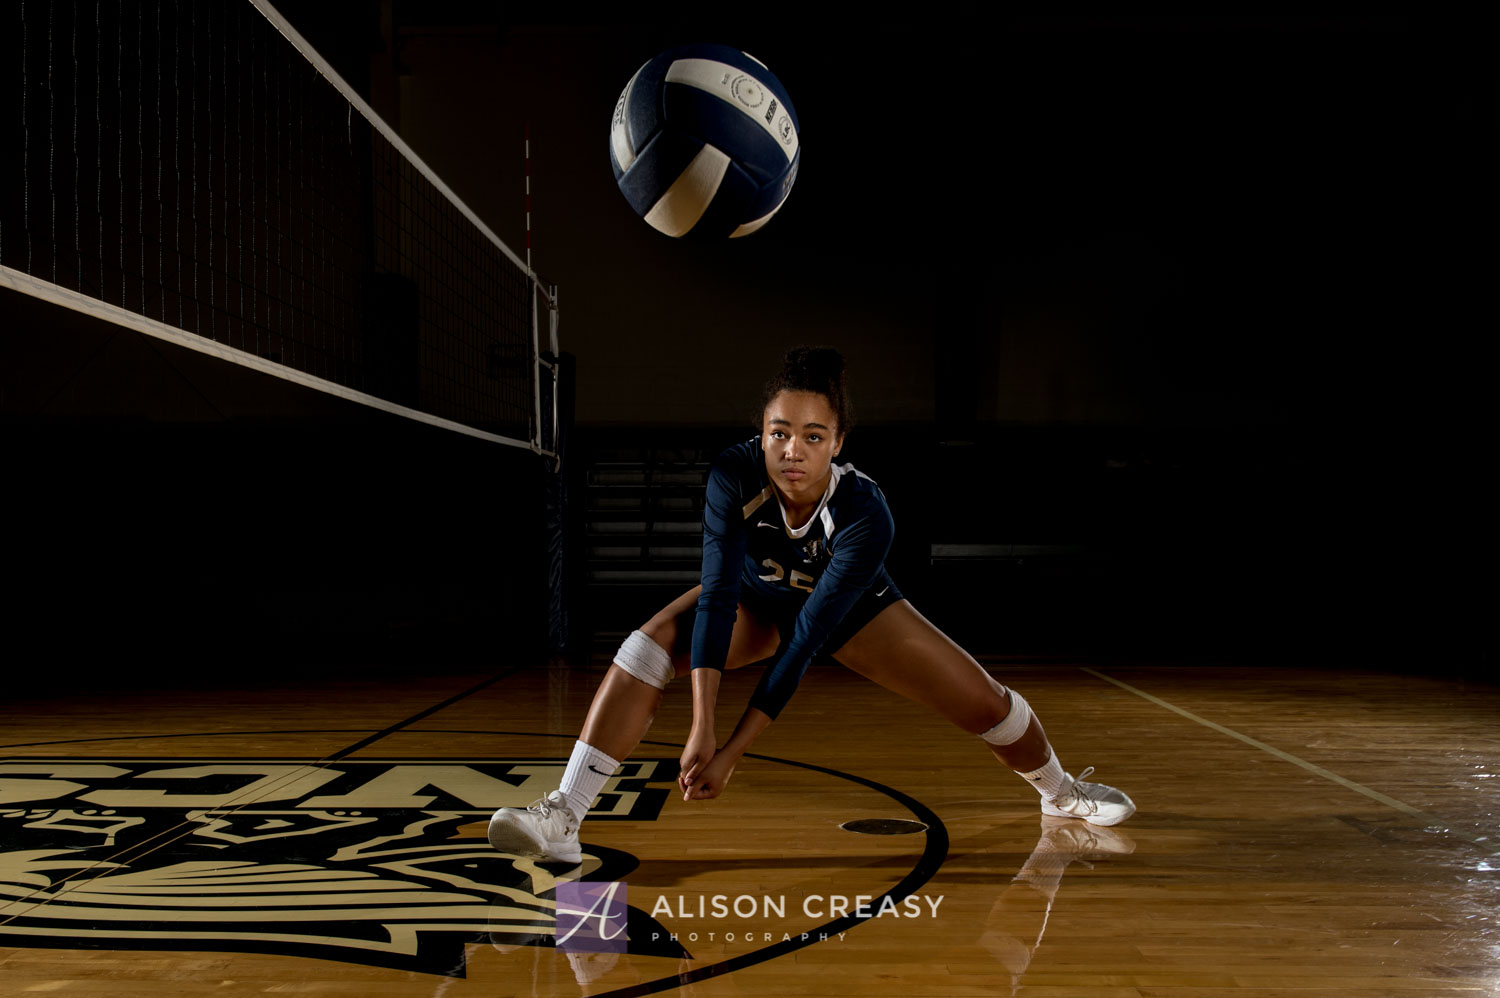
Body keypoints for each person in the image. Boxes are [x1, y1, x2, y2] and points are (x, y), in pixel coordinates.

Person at [489, 346, 1134, 864]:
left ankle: (1060, 794)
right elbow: (715, 596)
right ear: (760, 434)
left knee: (986, 703)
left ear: (838, 443)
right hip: (755, 598)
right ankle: (565, 815)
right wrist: (702, 727)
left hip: (852, 614)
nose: (792, 449)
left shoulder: (865, 513)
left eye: (812, 436)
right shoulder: (732, 476)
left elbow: (806, 643)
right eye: (779, 432)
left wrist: (733, 753)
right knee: (650, 642)